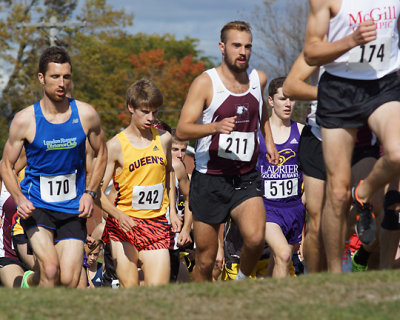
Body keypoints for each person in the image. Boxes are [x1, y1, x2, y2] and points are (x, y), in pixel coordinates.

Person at [176, 20, 279, 282]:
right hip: (210, 179)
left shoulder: (259, 80)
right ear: (222, 47)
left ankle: (240, 282)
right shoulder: (205, 83)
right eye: (236, 46)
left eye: (247, 46)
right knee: (206, 260)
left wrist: (269, 141)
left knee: (256, 238)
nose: (242, 51)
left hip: (245, 177)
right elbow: (182, 130)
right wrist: (214, 127)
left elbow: (262, 113)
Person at [303, 0, 400, 273]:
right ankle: (336, 275)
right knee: (336, 192)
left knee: (397, 152)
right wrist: (351, 40)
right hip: (340, 88)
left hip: (383, 84)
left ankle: (364, 191)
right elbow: (311, 52)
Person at [0, 46, 107, 287]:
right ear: (41, 78)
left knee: (68, 279)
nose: (62, 83)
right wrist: (18, 198)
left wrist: (90, 193)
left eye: (66, 77)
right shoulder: (25, 119)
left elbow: (102, 153)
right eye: (55, 77)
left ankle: (31, 284)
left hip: (72, 207)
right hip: (37, 205)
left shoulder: (86, 114)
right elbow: (6, 165)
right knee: (50, 269)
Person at [99, 79, 182, 288]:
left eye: (154, 112)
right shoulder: (115, 146)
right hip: (124, 227)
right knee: (131, 291)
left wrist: (172, 210)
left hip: (156, 225)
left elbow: (169, 173)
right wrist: (119, 215)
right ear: (130, 107)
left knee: (157, 293)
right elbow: (96, 193)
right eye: (145, 111)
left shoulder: (164, 139)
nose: (151, 118)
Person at [259, 77, 305, 278]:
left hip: (295, 208)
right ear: (270, 101)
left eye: (291, 99)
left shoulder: (302, 132)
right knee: (284, 254)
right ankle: (281, 303)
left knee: (279, 258)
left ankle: (267, 297)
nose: (288, 104)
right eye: (282, 99)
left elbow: (311, 171)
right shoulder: (257, 133)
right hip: (268, 208)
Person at [169, 128, 193, 282]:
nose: (179, 154)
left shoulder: (184, 174)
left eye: (183, 150)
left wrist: (186, 229)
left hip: (177, 235)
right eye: (175, 149)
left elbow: (190, 200)